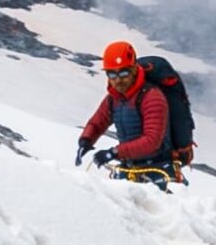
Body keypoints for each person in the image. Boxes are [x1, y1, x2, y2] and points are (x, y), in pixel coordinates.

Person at [76, 39, 193, 182]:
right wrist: (86, 141)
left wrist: (114, 153)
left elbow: (151, 141)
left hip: (160, 172)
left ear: (134, 69)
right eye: (112, 74)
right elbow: (97, 122)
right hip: (130, 168)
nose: (118, 80)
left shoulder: (152, 97)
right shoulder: (115, 98)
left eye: (124, 73)